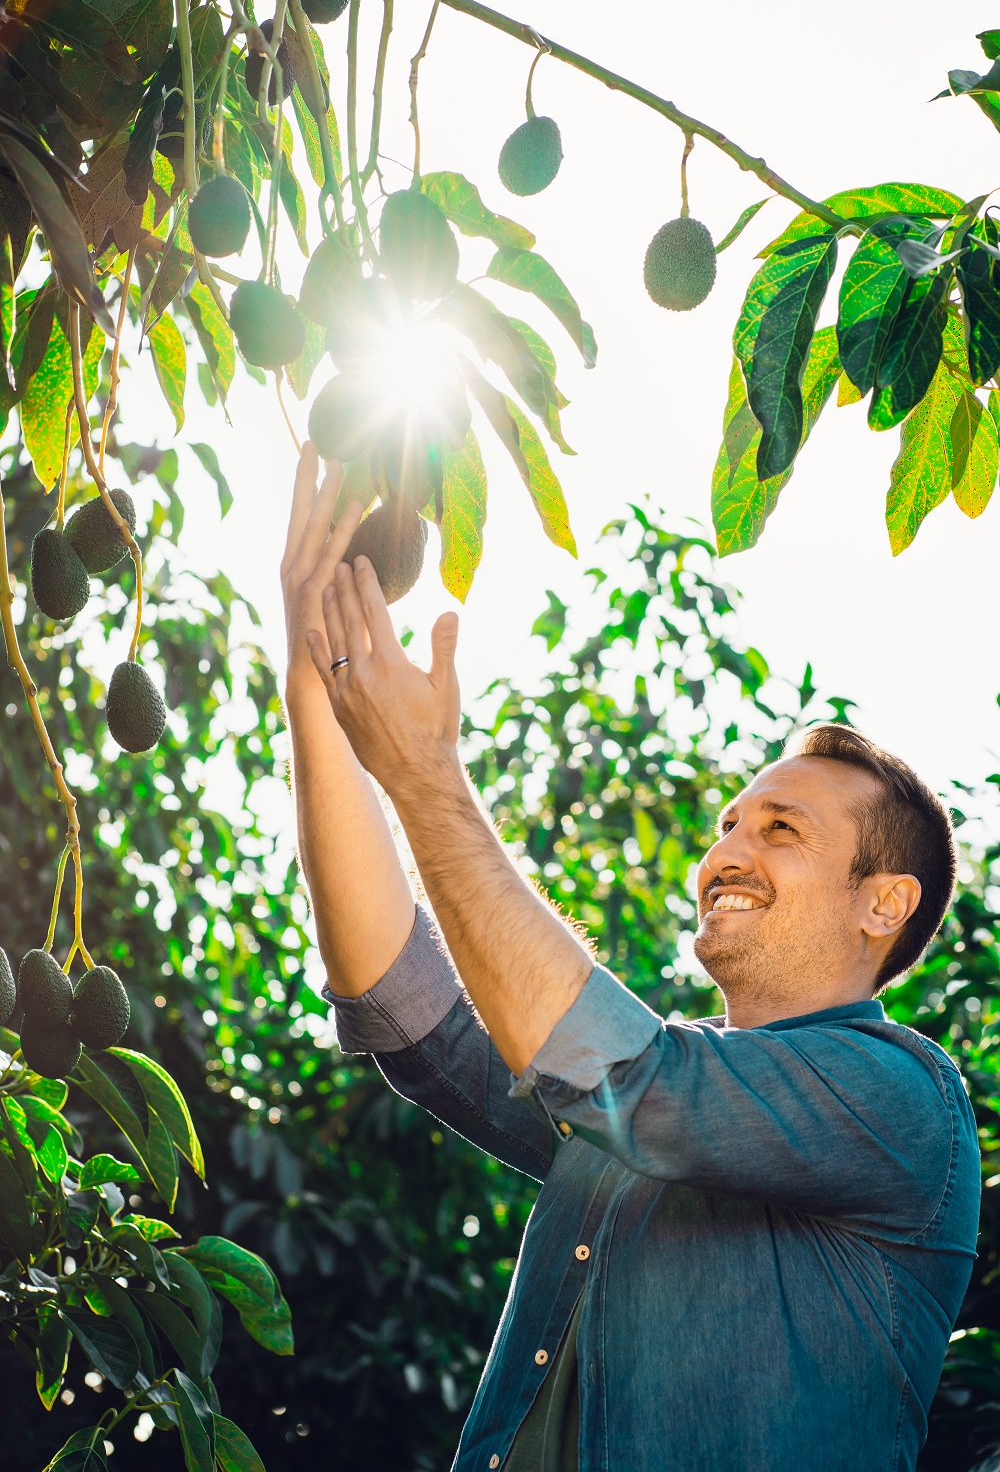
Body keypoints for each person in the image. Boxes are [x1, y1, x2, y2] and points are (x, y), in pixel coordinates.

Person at [280, 444, 981, 1472]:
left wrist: (427, 775)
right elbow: (407, 1012)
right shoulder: (622, 1124)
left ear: (884, 903)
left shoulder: (902, 1102)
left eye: (780, 829)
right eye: (730, 822)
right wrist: (314, 691)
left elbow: (633, 1074)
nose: (727, 850)